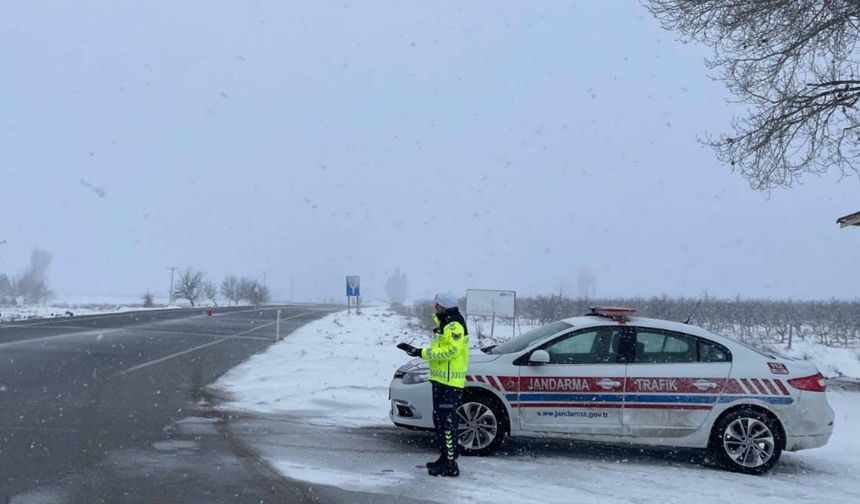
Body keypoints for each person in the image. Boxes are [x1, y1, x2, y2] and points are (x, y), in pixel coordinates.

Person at [397, 292, 469, 477]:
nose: (435, 307)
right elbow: (440, 348)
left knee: (447, 423)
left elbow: (451, 351)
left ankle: (451, 464)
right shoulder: (445, 324)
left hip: (450, 382)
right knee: (440, 420)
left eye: (437, 305)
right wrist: (416, 351)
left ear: (444, 306)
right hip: (440, 379)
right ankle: (445, 457)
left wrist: (421, 352)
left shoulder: (454, 325)